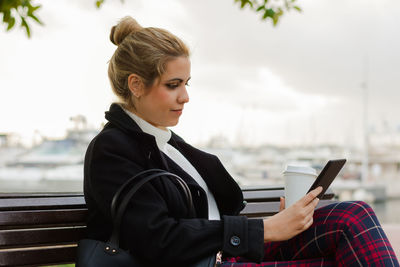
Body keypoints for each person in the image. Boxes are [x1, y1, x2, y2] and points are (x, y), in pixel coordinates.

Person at [83, 16, 399, 266]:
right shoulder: (112, 150)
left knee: (354, 214)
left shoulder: (169, 146)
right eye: (173, 85)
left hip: (230, 255)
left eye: (187, 83)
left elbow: (209, 218)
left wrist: (279, 221)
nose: (186, 96)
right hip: (204, 263)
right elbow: (157, 239)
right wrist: (267, 229)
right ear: (136, 84)